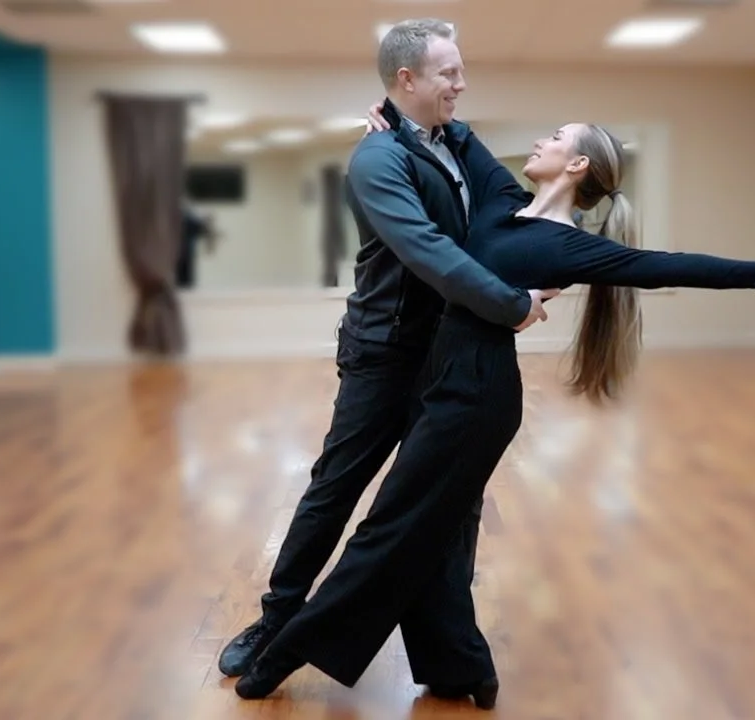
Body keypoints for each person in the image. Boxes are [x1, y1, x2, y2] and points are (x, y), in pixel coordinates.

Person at [233, 117, 755, 703]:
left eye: (557, 137)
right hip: (439, 381)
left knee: (388, 529)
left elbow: (667, 264)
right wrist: (391, 122)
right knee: (436, 538)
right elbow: (456, 132)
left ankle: (285, 651)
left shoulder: (570, 246)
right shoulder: (500, 200)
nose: (541, 141)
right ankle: (464, 671)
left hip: (476, 397)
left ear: (577, 165)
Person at [216, 18, 556, 702]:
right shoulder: (378, 160)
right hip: (382, 354)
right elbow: (427, 250)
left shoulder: (449, 146)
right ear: (407, 80)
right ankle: (275, 622)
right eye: (447, 73)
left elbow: (505, 213)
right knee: (335, 490)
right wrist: (510, 303)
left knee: (448, 512)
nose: (461, 84)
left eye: (461, 71)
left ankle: (453, 656)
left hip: (446, 358)